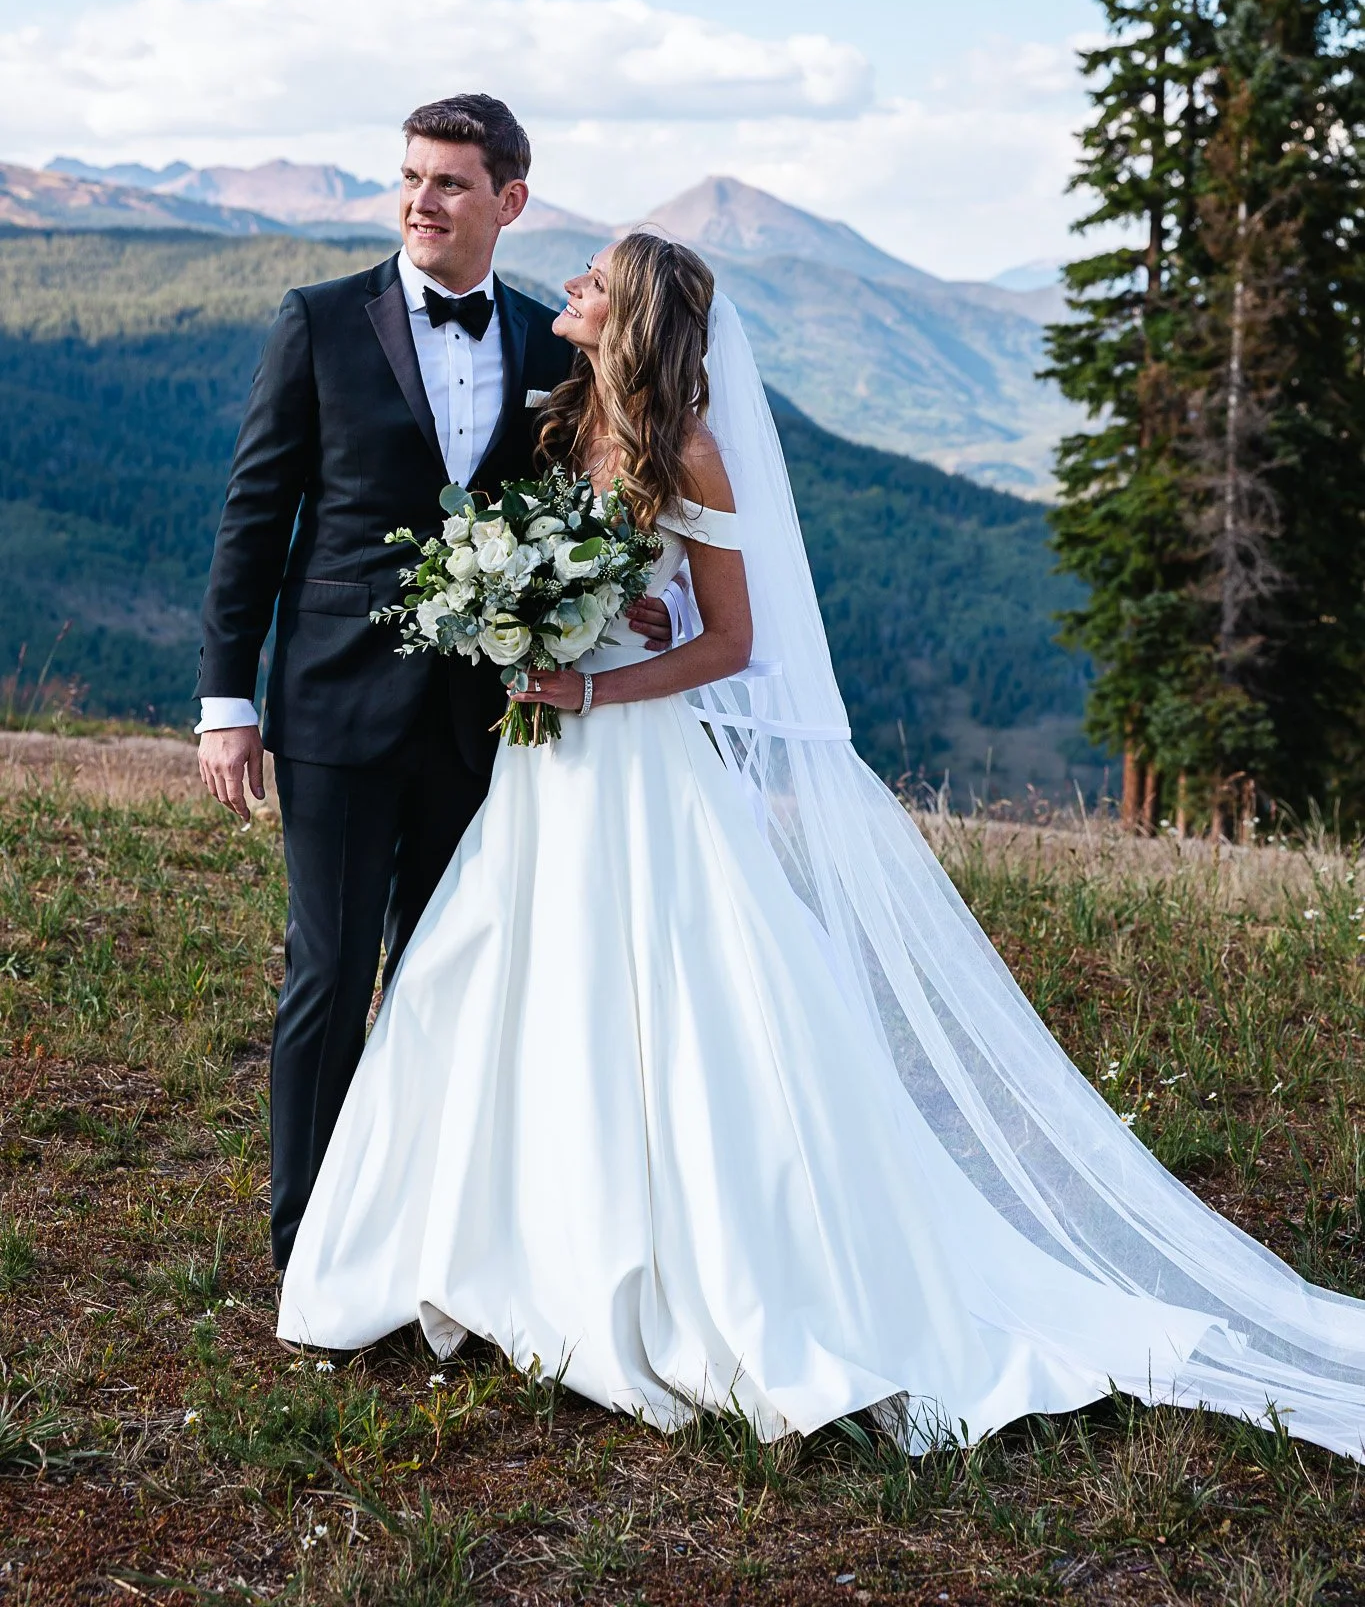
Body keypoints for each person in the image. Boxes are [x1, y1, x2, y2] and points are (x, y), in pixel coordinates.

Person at [279, 231, 1365, 1463]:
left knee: (677, 1016)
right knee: (499, 983)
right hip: (542, 779)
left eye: (591, 280)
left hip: (634, 761)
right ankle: (496, 1247)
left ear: (631, 309)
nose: (567, 290)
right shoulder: (566, 412)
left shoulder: (691, 448)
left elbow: (729, 644)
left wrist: (597, 682)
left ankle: (691, 1272)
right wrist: (528, 617)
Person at [194, 96, 678, 1273]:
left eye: (451, 182)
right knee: (330, 970)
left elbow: (586, 509)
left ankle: (418, 1227)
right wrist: (227, 699)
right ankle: (307, 1240)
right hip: (334, 706)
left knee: (443, 976)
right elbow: (256, 517)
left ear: (508, 201)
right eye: (410, 176)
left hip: (487, 721)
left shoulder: (541, 340)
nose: (421, 199)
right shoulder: (317, 322)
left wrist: (622, 604)